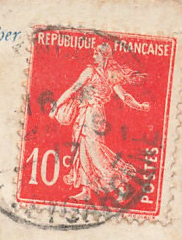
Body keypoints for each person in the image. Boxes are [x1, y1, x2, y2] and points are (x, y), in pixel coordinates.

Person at [49, 41, 150, 204]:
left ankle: (122, 187)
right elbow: (123, 96)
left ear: (104, 55)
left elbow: (73, 89)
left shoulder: (94, 72)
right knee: (83, 151)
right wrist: (139, 105)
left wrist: (56, 106)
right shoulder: (105, 73)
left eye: (96, 52)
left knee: (95, 153)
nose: (93, 55)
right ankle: (86, 191)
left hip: (91, 114)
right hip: (91, 114)